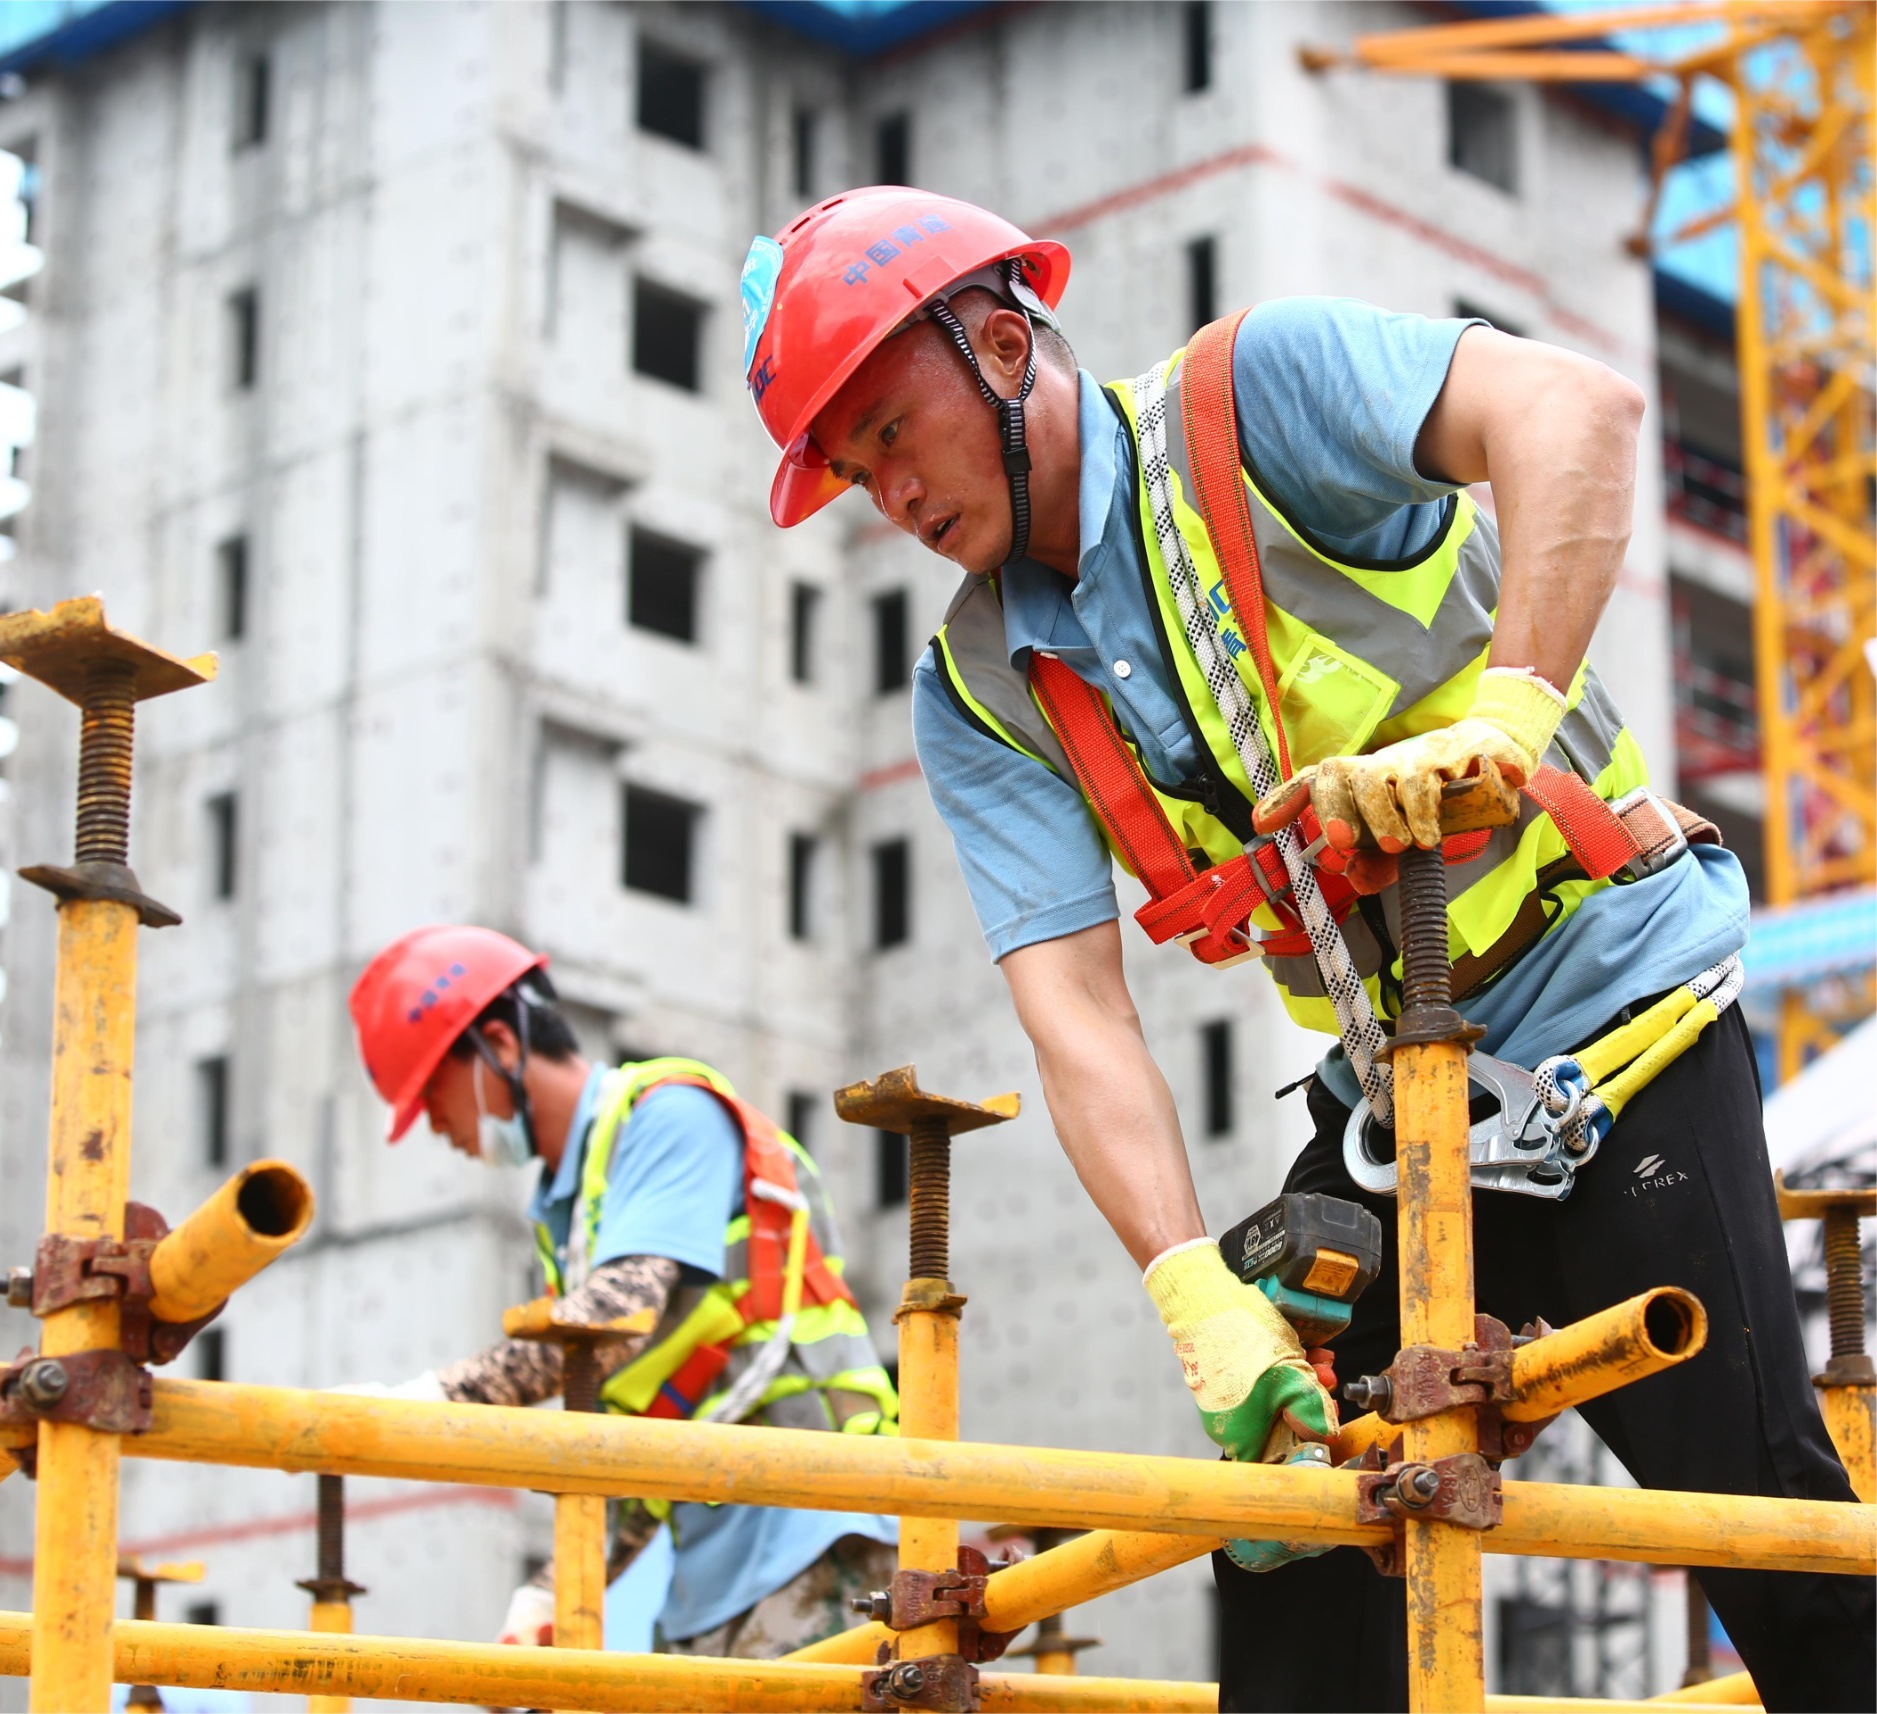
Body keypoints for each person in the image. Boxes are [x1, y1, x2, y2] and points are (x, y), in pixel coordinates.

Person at [738, 187, 1874, 1710]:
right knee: (1287, 1529)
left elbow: (1579, 414)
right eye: (850, 466)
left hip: (1619, 1025)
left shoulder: (1256, 399)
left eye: (886, 427)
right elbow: (1074, 1012)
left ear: (1004, 344)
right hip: (1400, 1104)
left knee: (1757, 1515)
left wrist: (1508, 717)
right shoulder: (984, 684)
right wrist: (1192, 1287)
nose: (887, 490)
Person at [345, 925, 899, 1657]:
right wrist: (551, 1591)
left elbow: (618, 1314)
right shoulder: (572, 1213)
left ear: (500, 1050)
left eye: (433, 1094)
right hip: (717, 1569)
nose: (436, 1126)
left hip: (818, 1529)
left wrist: (432, 1403)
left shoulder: (669, 1116)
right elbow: (651, 1424)